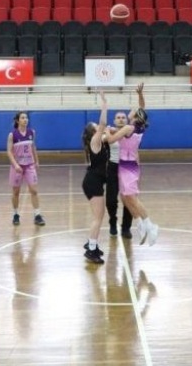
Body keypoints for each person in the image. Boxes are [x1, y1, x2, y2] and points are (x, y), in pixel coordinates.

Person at [105, 83, 159, 246]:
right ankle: (140, 223)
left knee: (132, 199)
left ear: (135, 116)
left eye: (134, 112)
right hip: (127, 165)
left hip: (127, 165)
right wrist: (140, 94)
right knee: (124, 197)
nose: (132, 111)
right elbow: (142, 107)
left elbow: (111, 139)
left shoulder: (128, 128)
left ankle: (150, 224)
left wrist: (108, 130)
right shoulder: (137, 127)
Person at [105, 102, 143, 239]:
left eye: (123, 117)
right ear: (114, 120)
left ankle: (126, 227)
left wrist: (138, 170)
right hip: (113, 167)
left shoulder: (130, 133)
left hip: (127, 167)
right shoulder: (109, 131)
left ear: (127, 120)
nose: (121, 119)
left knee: (128, 197)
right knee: (110, 200)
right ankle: (112, 222)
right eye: (118, 117)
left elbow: (136, 152)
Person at [81, 92, 109, 264]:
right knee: (98, 218)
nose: (99, 126)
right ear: (94, 132)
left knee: (99, 216)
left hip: (93, 181)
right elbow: (104, 124)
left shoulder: (98, 142)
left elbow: (109, 132)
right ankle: (91, 250)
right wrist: (104, 104)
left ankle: (92, 243)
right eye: (96, 126)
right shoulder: (95, 141)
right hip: (93, 182)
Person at [7, 111, 45, 226]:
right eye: (23, 118)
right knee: (16, 192)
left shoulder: (31, 132)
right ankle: (15, 214)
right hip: (17, 167)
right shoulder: (12, 135)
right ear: (18, 120)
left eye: (26, 118)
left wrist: (37, 161)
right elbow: (8, 152)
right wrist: (15, 164)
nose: (25, 120)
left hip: (29, 165)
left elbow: (33, 147)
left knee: (34, 190)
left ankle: (37, 215)